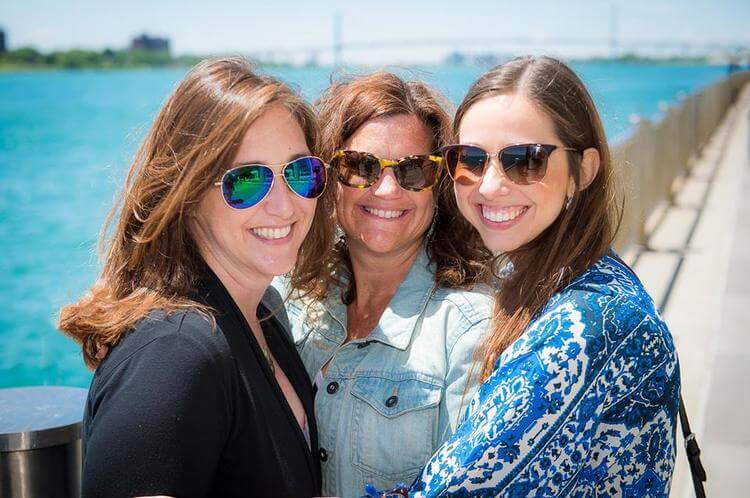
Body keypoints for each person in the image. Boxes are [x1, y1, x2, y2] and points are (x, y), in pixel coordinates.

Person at [58, 57, 335, 498]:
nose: (285, 206)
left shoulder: (263, 314)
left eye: (300, 173)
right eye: (247, 181)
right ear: (186, 193)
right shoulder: (175, 357)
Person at [409, 56, 680, 497]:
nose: (490, 185)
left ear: (583, 171)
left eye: (525, 161)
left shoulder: (587, 328)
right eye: (470, 159)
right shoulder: (589, 276)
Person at [273, 72, 493, 498]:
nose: (388, 189)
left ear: (439, 185)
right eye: (361, 167)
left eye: (413, 170)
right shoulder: (288, 296)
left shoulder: (469, 329)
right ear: (327, 177)